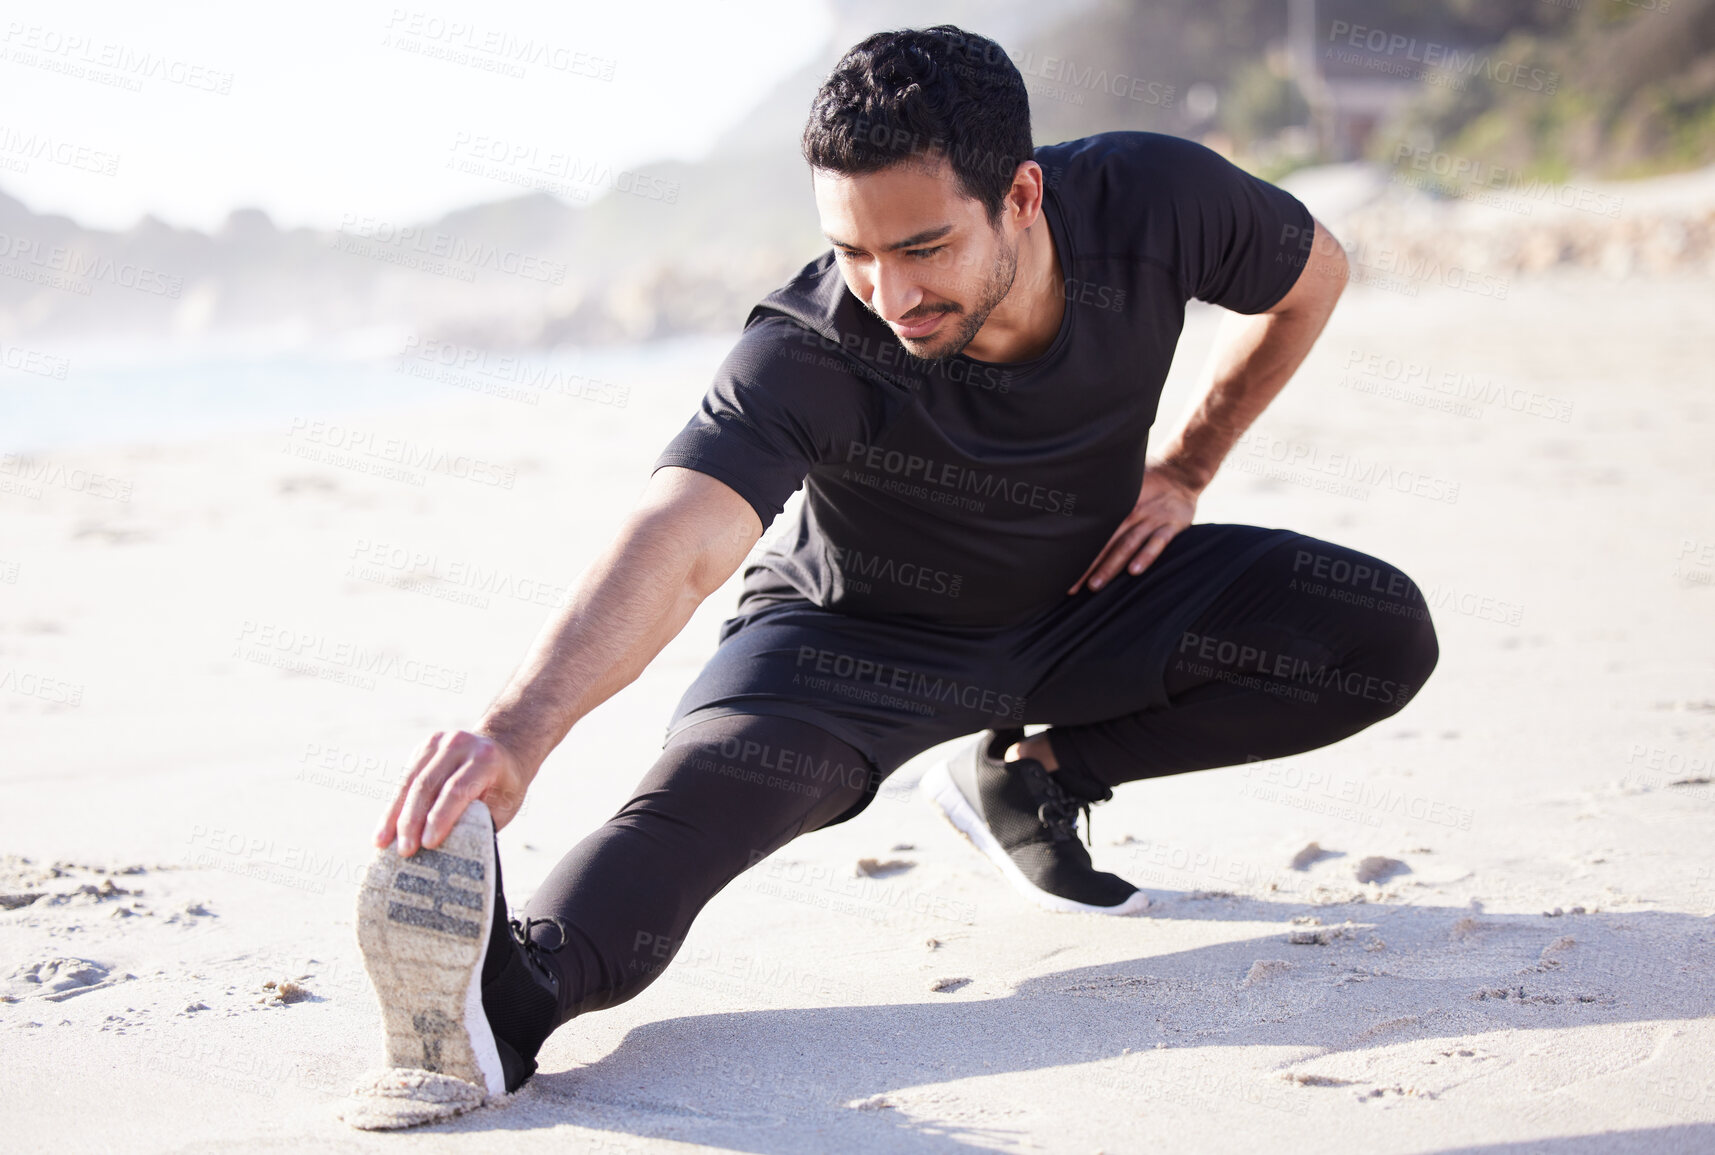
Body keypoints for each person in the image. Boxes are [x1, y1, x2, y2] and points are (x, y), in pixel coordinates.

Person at [352, 24, 1439, 1103]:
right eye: (853, 252)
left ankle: (1032, 779)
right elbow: (680, 540)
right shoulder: (812, 346)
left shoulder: (1152, 204)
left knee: (1373, 633)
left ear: (1021, 194)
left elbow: (1315, 276)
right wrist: (518, 731)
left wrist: (1188, 466)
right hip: (849, 646)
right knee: (693, 817)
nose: (889, 292)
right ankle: (504, 1001)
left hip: (1084, 600)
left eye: (923, 248)